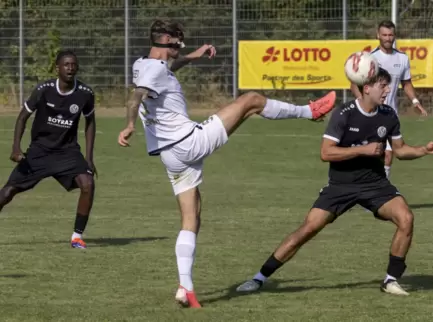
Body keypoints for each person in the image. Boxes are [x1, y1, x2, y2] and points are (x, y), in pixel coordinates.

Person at [117, 19, 337, 308]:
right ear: (167, 40)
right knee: (251, 101)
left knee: (191, 218)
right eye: (178, 42)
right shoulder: (153, 69)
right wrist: (130, 125)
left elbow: (164, 71)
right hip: (188, 142)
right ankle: (309, 111)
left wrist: (193, 56)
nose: (179, 47)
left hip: (171, 155)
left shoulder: (144, 64)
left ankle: (185, 287)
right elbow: (135, 98)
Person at [236, 68, 433, 297]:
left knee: (406, 218)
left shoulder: (388, 115)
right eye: (383, 86)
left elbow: (401, 150)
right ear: (367, 88)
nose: (388, 90)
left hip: (375, 184)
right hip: (340, 185)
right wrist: (364, 150)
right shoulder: (344, 113)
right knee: (307, 229)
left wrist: (423, 149)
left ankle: (391, 280)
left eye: (388, 85)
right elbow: (326, 153)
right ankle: (259, 278)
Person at [0, 50, 97, 249]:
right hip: (39, 151)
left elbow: (90, 122)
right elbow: (22, 118)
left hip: (67, 153)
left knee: (88, 184)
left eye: (73, 64)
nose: (70, 68)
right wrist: (16, 147)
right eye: (66, 65)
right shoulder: (44, 90)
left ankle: (77, 237)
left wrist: (88, 158)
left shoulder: (85, 94)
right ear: (57, 68)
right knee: (8, 192)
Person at [350, 20, 428, 179]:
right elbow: (354, 84)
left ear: (394, 36)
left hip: (389, 114)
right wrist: (363, 104)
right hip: (370, 114)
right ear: (378, 35)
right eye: (384, 35)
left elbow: (406, 84)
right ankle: (369, 187)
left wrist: (415, 102)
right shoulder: (370, 58)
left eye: (390, 35)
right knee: (376, 153)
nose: (387, 38)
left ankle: (380, 190)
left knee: (387, 154)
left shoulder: (402, 58)